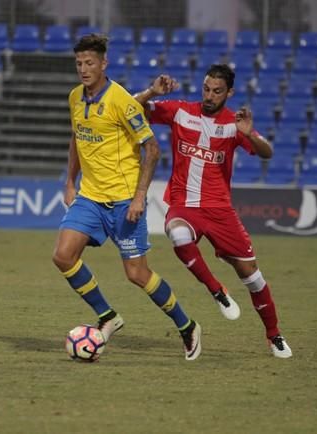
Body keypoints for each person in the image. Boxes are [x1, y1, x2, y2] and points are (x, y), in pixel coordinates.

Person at [52, 34, 202, 360]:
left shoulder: (120, 98)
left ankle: (187, 326)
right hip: (90, 198)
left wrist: (139, 198)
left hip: (124, 201)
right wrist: (69, 181)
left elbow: (152, 148)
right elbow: (78, 138)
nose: (83, 69)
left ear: (104, 64)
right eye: (79, 63)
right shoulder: (75, 97)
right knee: (63, 256)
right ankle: (108, 317)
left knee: (136, 274)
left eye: (90, 62)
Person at [133, 64, 292, 358]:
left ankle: (274, 336)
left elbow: (267, 152)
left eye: (217, 91)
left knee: (252, 277)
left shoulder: (235, 123)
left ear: (229, 93)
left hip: (220, 210)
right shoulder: (180, 111)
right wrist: (152, 91)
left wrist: (250, 135)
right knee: (178, 235)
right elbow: (131, 108)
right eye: (206, 89)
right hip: (184, 205)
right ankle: (217, 290)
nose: (209, 95)